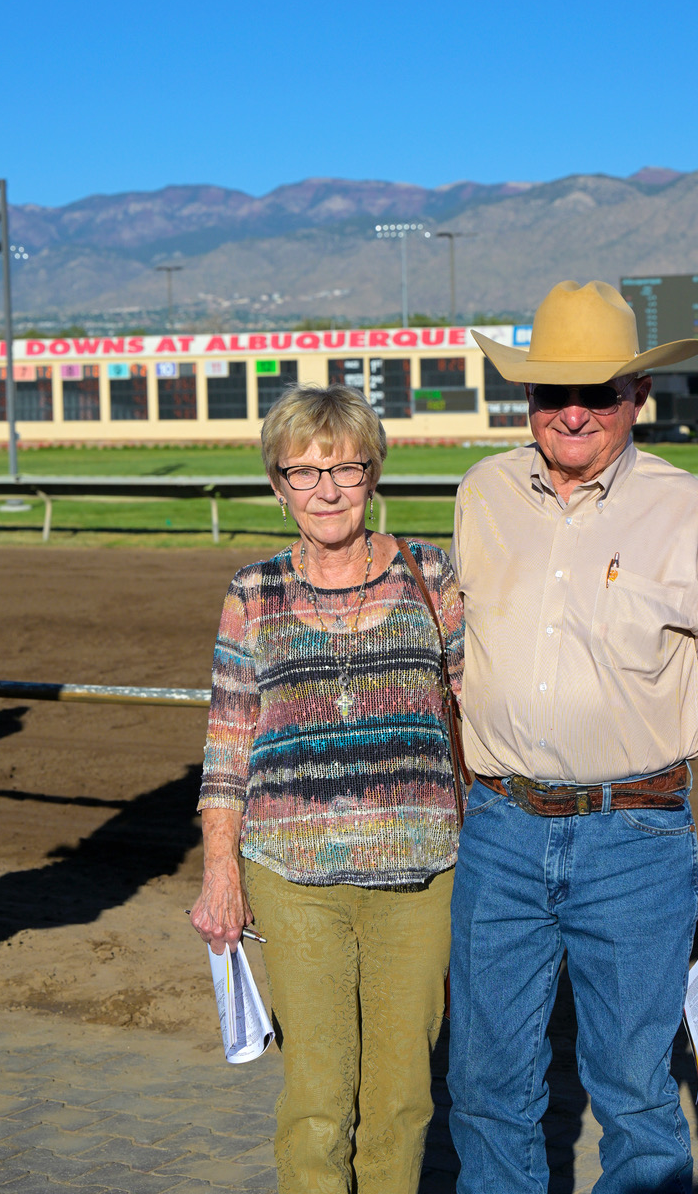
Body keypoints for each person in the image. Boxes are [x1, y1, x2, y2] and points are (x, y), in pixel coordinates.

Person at [447, 280, 698, 1193]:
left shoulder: (688, 510)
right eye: (549, 392)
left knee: (636, 1096)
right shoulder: (480, 495)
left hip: (634, 841)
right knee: (484, 1089)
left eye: (597, 391)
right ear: (523, 400)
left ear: (636, 397)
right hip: (498, 829)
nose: (572, 412)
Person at [190, 383, 464, 1194]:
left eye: (345, 467)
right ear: (277, 486)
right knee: (316, 1097)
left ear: (373, 472)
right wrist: (219, 873)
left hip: (420, 878)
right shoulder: (253, 593)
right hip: (291, 877)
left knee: (403, 1098)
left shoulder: (430, 574)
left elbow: (479, 715)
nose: (327, 490)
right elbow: (227, 743)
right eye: (303, 473)